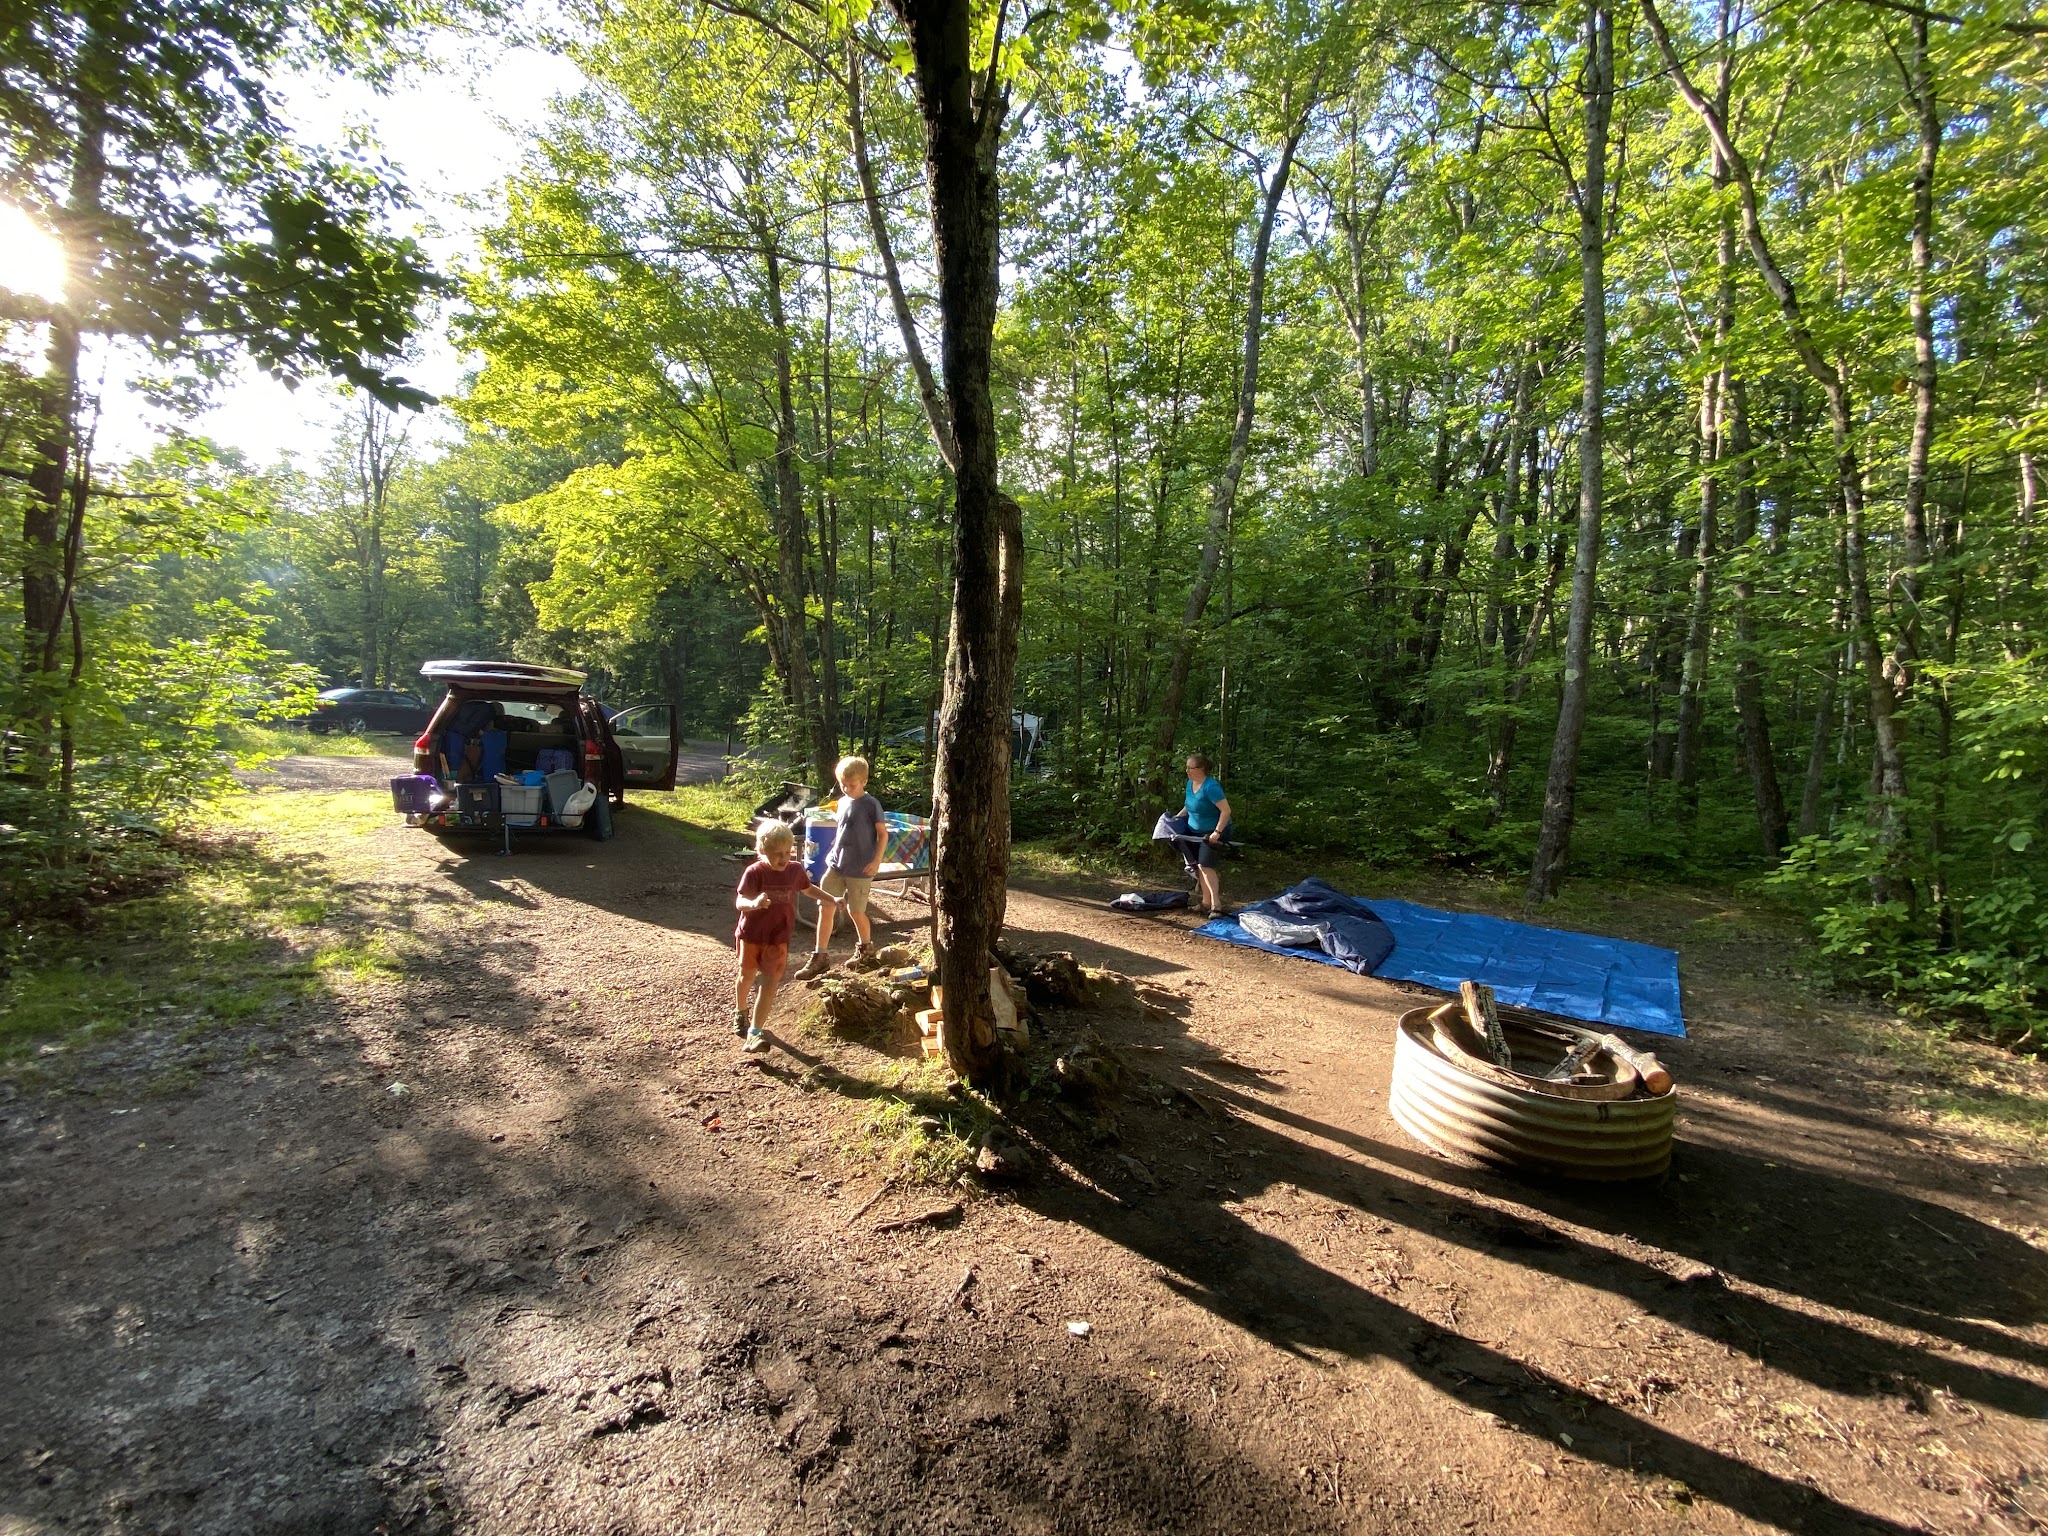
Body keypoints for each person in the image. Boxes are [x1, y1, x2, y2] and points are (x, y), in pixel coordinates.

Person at [733, 820, 836, 1053]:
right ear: (762, 852)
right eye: (776, 854)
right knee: (747, 976)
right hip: (751, 935)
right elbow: (740, 902)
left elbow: (807, 889)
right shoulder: (755, 872)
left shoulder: (794, 870)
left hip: (779, 937)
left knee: (769, 982)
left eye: (787, 853)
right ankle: (740, 1011)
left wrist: (832, 899)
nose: (782, 859)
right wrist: (754, 903)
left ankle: (755, 1032)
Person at [795, 756, 885, 979]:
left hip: (861, 869)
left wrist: (876, 862)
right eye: (842, 784)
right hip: (836, 865)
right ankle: (820, 956)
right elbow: (844, 828)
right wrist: (836, 845)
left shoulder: (871, 804)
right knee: (826, 907)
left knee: (856, 911)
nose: (846, 788)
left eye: (851, 785)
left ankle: (866, 952)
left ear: (863, 781)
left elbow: (883, 834)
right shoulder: (843, 801)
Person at [1179, 752, 1232, 916]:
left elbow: (1226, 811)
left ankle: (1216, 905)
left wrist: (1217, 832)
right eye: (1186, 767)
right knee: (1198, 866)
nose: (1187, 771)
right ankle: (1205, 902)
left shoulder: (1211, 787)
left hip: (1212, 832)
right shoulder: (1190, 784)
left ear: (1201, 769)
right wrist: (1176, 818)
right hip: (1194, 831)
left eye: (1190, 768)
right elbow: (1189, 806)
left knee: (1206, 866)